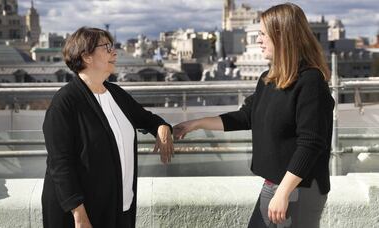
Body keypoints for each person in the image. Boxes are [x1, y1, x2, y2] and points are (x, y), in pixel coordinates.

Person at [173, 3, 334, 228]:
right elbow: (246, 116)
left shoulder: (310, 82)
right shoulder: (268, 78)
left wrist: (283, 193)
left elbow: (311, 142)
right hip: (278, 185)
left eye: (262, 34)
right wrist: (197, 124)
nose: (258, 40)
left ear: (283, 37)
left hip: (299, 189)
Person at [42, 27, 174, 228]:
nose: (115, 52)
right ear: (86, 56)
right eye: (107, 47)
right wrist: (79, 216)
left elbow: (147, 119)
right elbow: (60, 165)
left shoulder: (116, 94)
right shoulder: (64, 103)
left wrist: (162, 127)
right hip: (82, 215)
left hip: (119, 207)